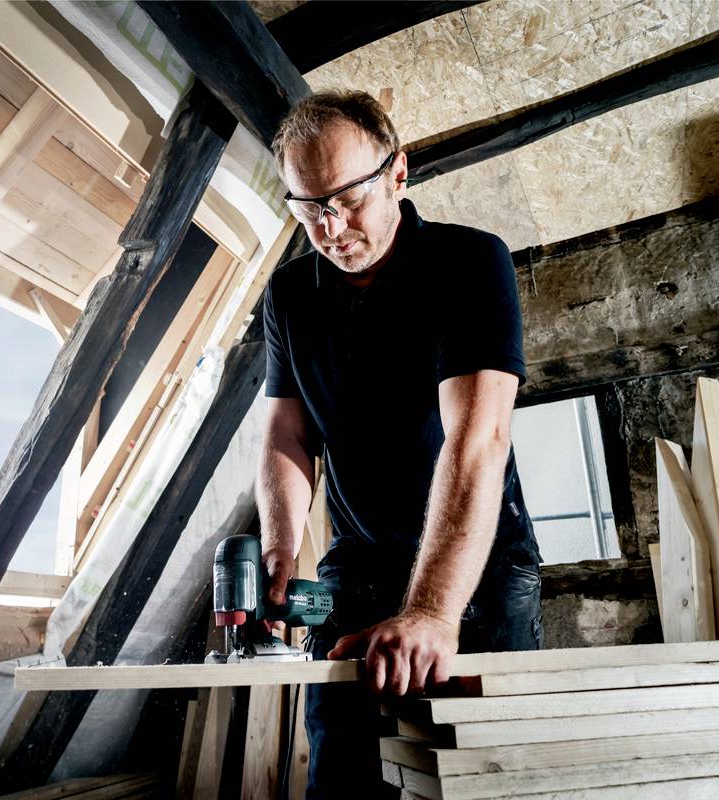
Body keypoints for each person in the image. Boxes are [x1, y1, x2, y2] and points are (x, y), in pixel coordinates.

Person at [256, 90, 543, 798]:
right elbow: (288, 432)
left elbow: (477, 439)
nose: (330, 225)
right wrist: (280, 549)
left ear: (397, 173)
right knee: (344, 772)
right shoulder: (289, 295)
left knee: (480, 775)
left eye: (348, 198)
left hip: (478, 572)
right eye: (307, 207)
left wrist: (433, 613)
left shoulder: (469, 262)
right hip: (356, 566)